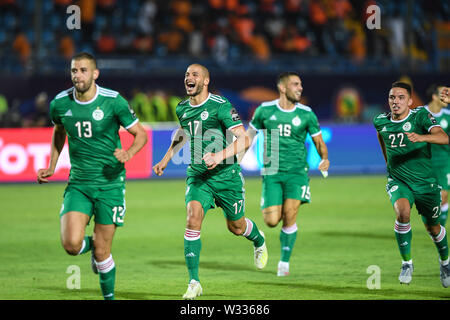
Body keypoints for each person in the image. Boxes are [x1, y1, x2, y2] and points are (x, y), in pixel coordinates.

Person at [37, 52, 148, 300]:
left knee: (102, 252)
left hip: (110, 184)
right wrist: (52, 165)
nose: (78, 75)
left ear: (95, 73)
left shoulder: (113, 101)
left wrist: (128, 152)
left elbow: (141, 134)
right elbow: (59, 130)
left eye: (83, 70)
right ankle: (93, 247)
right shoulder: (60, 104)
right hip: (79, 184)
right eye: (74, 71)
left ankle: (108, 296)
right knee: (71, 245)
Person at [152, 63, 268, 300]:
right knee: (192, 218)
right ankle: (194, 282)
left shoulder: (221, 106)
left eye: (194, 74)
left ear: (206, 81)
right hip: (199, 176)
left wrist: (218, 156)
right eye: (186, 74)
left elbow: (244, 140)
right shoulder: (182, 108)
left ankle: (258, 238)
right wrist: (165, 158)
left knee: (236, 227)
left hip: (226, 177)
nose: (189, 78)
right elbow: (183, 132)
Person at [247, 71, 329, 276]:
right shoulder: (264, 111)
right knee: (272, 221)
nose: (300, 88)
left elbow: (319, 142)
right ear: (282, 88)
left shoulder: (307, 114)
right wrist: (234, 160)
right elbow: (247, 138)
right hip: (272, 172)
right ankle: (264, 237)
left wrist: (324, 158)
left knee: (290, 214)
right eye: (295, 84)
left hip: (297, 172)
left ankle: (284, 262)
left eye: (300, 84)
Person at [373, 81, 450, 287]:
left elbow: (443, 137)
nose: (395, 101)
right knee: (402, 212)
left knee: (433, 228)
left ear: (410, 101)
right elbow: (382, 137)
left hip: (425, 182)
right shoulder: (380, 120)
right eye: (392, 97)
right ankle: (407, 263)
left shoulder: (420, 116)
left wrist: (421, 137)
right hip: (399, 180)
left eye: (400, 98)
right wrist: (388, 164)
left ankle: (445, 262)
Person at [423, 84, 449, 226]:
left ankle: (440, 230)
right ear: (434, 96)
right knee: (429, 199)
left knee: (444, 196)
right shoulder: (420, 114)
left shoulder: (448, 116)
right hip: (426, 161)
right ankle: (431, 223)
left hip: (444, 161)